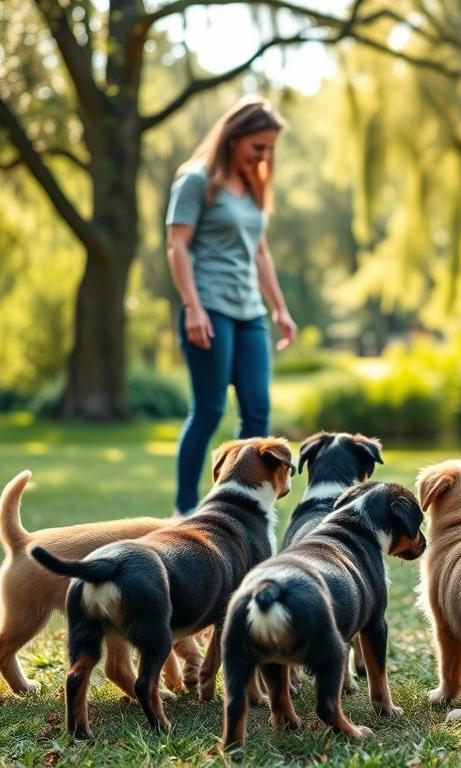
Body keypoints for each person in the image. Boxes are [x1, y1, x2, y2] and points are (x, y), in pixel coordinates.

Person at [166, 97, 297, 515]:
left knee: (257, 410)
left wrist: (279, 308)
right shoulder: (196, 181)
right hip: (210, 306)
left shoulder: (255, 187)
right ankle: (186, 511)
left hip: (249, 312)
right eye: (258, 146)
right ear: (234, 136)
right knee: (208, 411)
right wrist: (192, 307)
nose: (264, 156)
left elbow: (260, 253)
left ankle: (243, 507)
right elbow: (177, 246)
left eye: (269, 149)